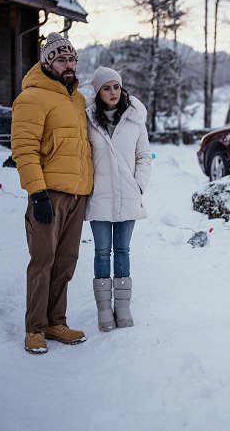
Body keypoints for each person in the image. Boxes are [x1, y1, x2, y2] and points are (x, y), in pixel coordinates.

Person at [11, 32, 94, 354]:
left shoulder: (77, 99)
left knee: (66, 261)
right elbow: (24, 149)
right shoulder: (32, 97)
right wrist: (37, 193)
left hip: (77, 194)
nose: (69, 65)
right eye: (62, 59)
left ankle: (56, 322)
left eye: (72, 59)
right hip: (48, 194)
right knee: (43, 260)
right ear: (48, 62)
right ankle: (34, 327)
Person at [85, 67, 151, 332]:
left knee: (122, 251)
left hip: (128, 194)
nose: (112, 93)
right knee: (102, 252)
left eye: (116, 87)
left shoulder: (135, 118)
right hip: (99, 195)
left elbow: (144, 157)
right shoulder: (88, 119)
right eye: (106, 88)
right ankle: (103, 309)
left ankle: (122, 307)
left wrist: (139, 185)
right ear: (98, 92)